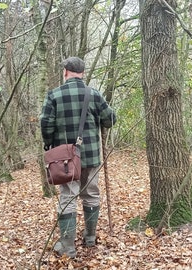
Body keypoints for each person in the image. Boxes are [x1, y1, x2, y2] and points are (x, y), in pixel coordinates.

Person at [40, 56, 116, 258]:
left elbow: (45, 124)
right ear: (82, 73)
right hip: (90, 156)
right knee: (91, 194)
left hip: (65, 159)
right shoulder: (94, 94)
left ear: (66, 72)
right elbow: (110, 119)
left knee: (68, 197)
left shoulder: (54, 95)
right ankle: (90, 238)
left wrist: (49, 144)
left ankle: (67, 246)